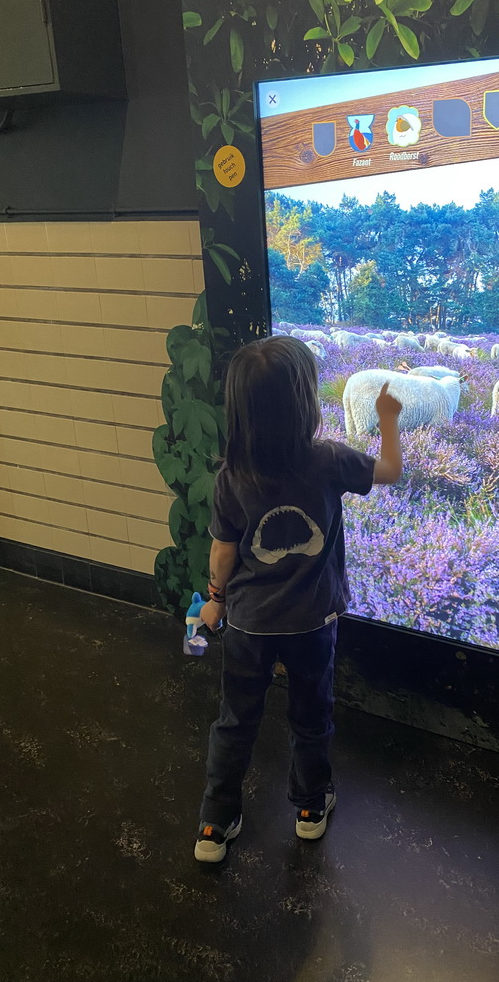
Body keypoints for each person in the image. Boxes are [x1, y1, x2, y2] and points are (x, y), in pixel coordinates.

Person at [194, 335, 402, 863]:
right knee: (311, 715)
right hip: (312, 622)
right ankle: (310, 807)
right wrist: (387, 418)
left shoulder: (231, 476)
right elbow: (391, 471)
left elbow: (223, 552)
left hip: (247, 625)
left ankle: (215, 823)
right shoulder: (328, 460)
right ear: (305, 402)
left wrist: (214, 599)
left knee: (236, 720)